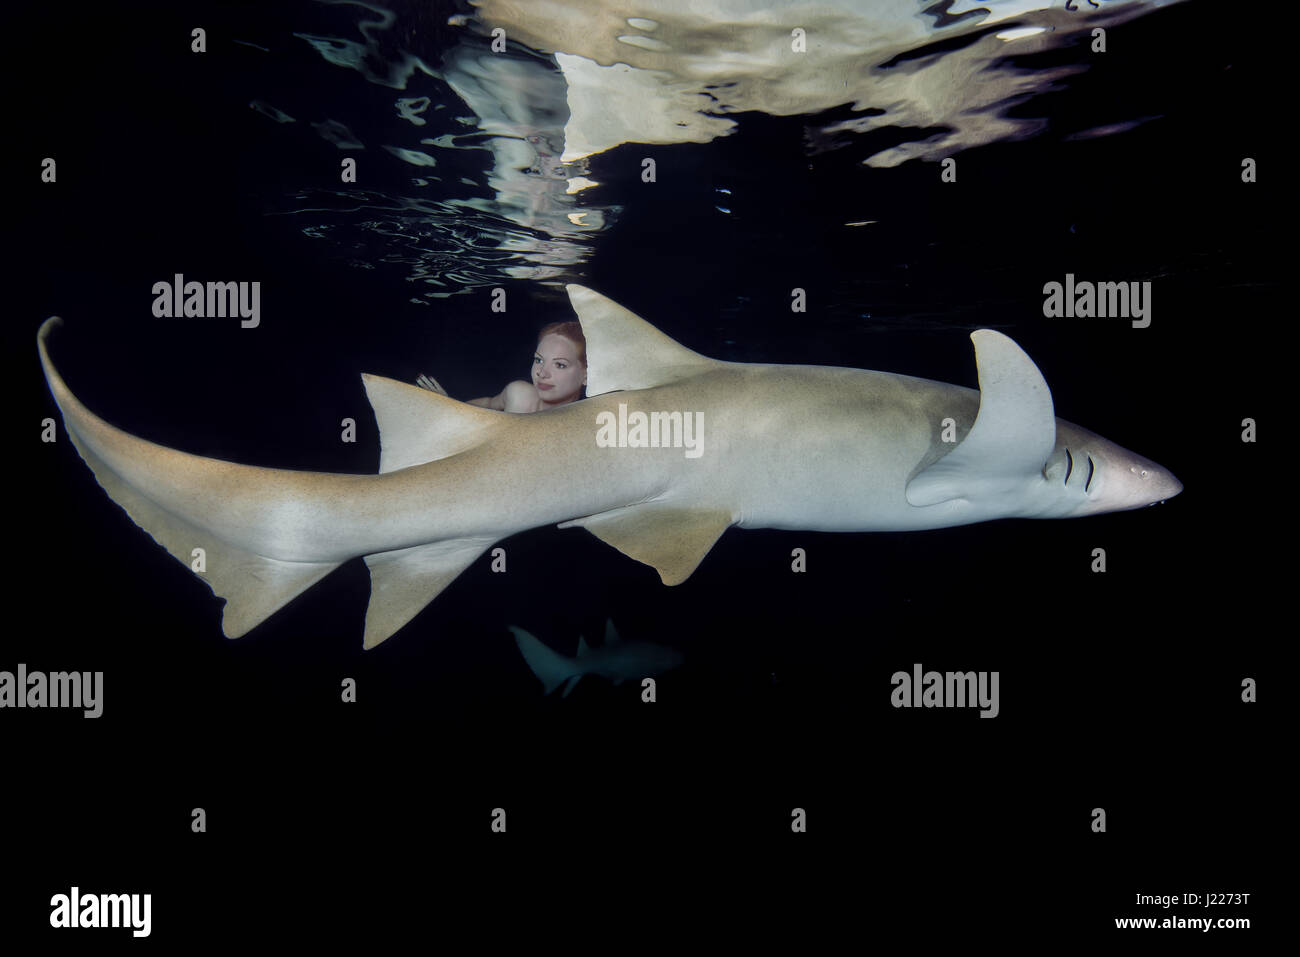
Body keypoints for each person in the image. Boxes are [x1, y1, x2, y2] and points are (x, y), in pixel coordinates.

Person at [416, 320, 587, 412]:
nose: (542, 373)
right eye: (539, 360)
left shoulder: (589, 426)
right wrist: (451, 405)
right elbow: (489, 403)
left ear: (586, 375)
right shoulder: (518, 393)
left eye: (560, 365)